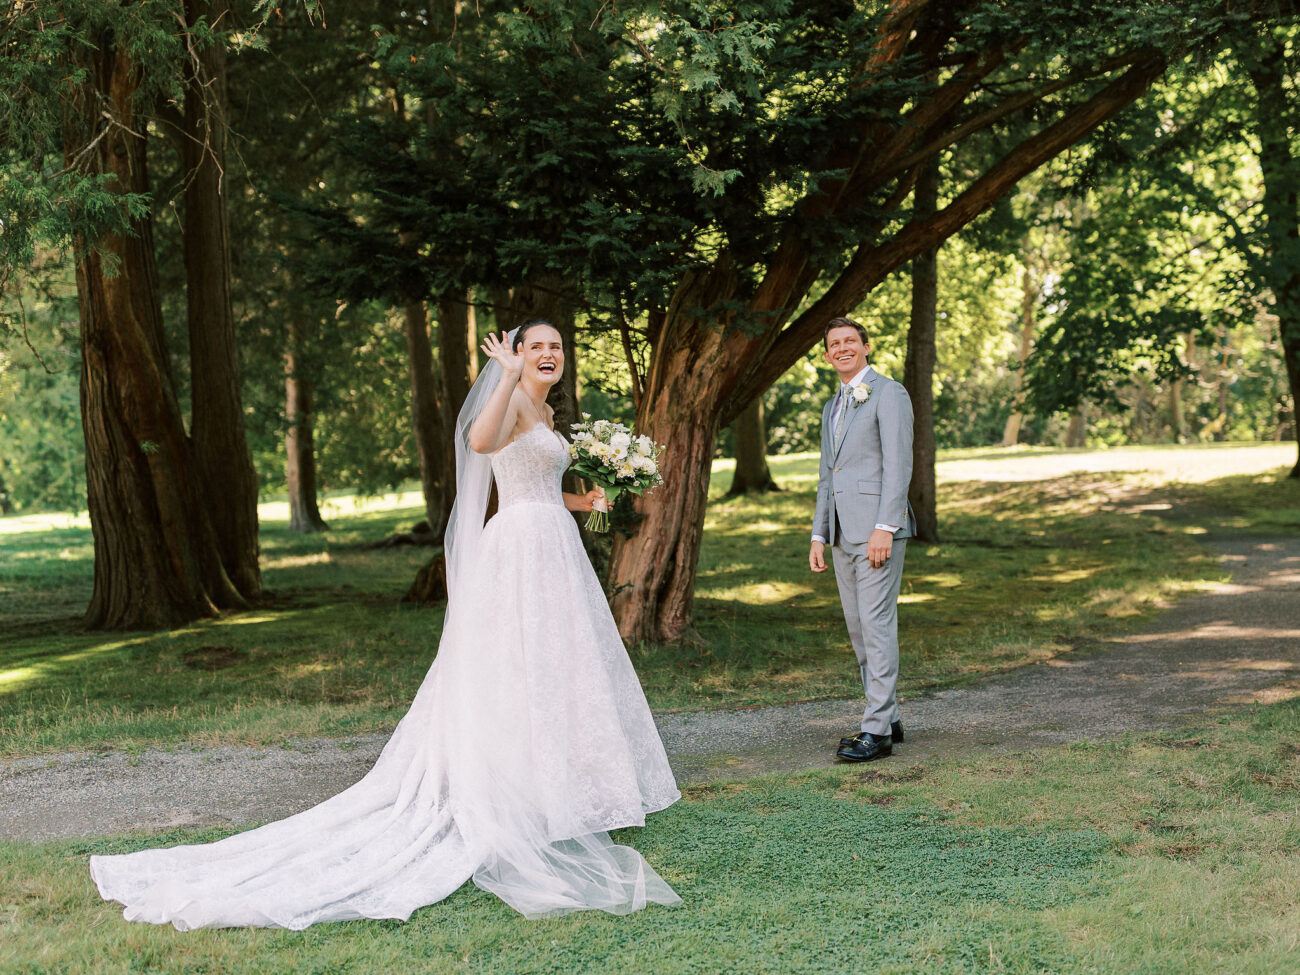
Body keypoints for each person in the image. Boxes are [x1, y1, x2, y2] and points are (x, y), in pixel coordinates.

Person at [90, 320, 682, 929]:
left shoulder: (549, 414)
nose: (549, 354)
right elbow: (480, 443)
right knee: (513, 666)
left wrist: (588, 500)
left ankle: (555, 788)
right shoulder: (511, 402)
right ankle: (510, 791)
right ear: (520, 354)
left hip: (552, 542)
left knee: (555, 666)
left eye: (556, 347)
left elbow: (537, 488)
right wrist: (505, 379)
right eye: (537, 347)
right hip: (520, 552)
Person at [808, 317, 915, 763]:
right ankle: (888, 716)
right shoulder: (832, 406)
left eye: (850, 340)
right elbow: (827, 475)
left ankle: (876, 732)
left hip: (876, 532)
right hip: (840, 533)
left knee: (875, 625)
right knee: (858, 628)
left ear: (866, 347)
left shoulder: (889, 393)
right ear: (827, 354)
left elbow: (898, 463)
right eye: (834, 343)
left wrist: (885, 527)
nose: (842, 348)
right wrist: (819, 533)